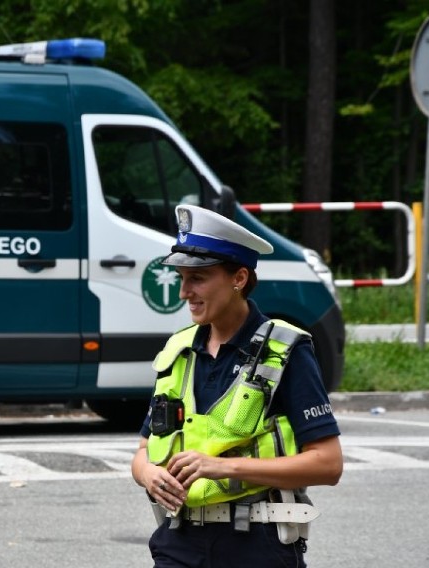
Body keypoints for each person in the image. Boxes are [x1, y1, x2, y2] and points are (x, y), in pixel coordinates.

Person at [130, 204, 343, 568]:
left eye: (197, 278)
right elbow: (144, 449)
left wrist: (223, 467)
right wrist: (149, 474)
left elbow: (328, 464)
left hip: (255, 547)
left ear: (238, 278)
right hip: (179, 543)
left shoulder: (286, 350)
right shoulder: (178, 350)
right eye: (181, 277)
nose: (184, 292)